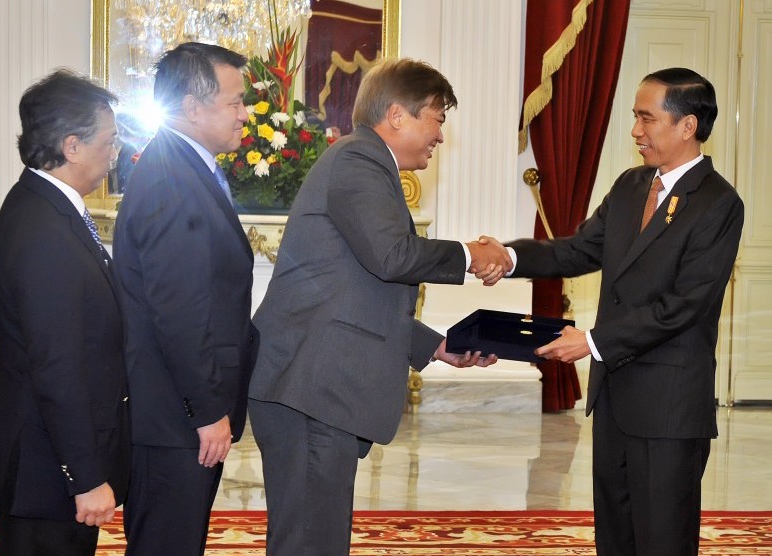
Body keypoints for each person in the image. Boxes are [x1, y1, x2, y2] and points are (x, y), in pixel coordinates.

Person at [247, 57, 513, 556]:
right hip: (310, 389)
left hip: (316, 387)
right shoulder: (358, 160)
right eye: (436, 117)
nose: (439, 134)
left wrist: (437, 346)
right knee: (310, 543)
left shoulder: (365, 162)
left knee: (318, 539)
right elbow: (391, 257)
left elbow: (351, 289)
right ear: (397, 115)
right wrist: (470, 254)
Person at [489, 68, 743, 555]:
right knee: (615, 536)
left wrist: (592, 341)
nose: (635, 131)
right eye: (635, 117)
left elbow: (685, 306)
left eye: (646, 119)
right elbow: (577, 251)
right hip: (614, 401)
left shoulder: (718, 203)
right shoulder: (631, 186)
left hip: (669, 408)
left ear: (687, 126)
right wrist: (509, 255)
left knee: (663, 539)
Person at [0, 69, 129, 556]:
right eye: (110, 139)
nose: (116, 150)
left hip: (47, 463)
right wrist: (85, 477)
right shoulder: (43, 231)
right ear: (73, 145)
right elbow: (56, 367)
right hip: (44, 472)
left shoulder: (46, 207)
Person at [112, 42, 258, 556]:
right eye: (235, 102)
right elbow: (180, 311)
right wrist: (206, 409)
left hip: (176, 412)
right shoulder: (173, 180)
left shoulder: (184, 169)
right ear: (193, 109)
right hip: (174, 417)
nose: (245, 114)